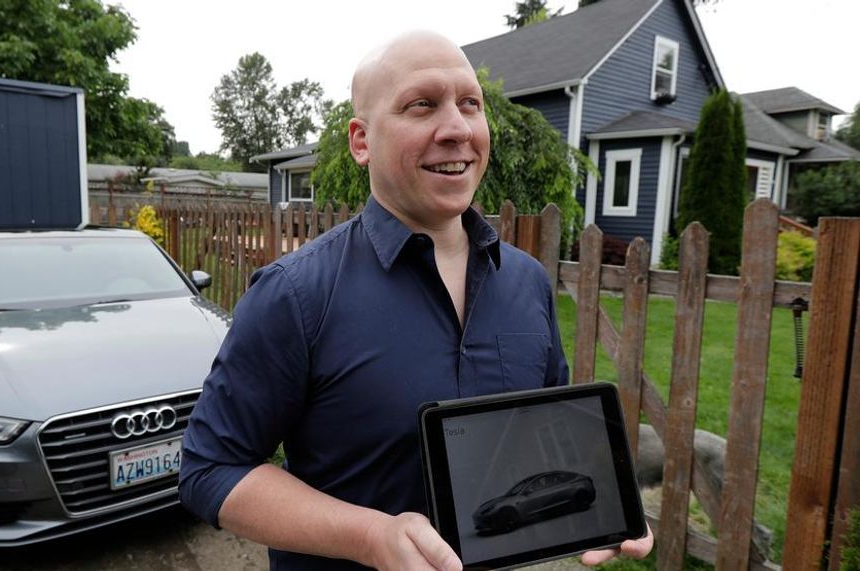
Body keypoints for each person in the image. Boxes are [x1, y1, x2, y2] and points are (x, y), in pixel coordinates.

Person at [178, 30, 653, 570]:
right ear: (361, 141)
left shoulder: (527, 282)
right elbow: (210, 470)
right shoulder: (295, 293)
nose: (456, 129)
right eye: (421, 105)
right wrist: (370, 537)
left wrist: (589, 507)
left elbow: (541, 429)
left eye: (470, 104)